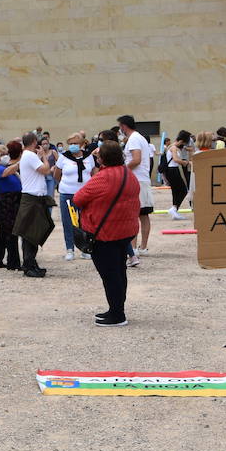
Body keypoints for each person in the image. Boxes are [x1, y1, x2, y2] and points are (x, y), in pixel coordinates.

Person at [71, 139, 141, 327]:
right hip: (126, 231)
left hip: (105, 234)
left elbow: (78, 198)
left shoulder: (103, 177)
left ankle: (118, 316)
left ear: (102, 159)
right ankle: (117, 309)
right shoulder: (128, 174)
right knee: (119, 271)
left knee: (110, 275)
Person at [13, 133, 53, 277]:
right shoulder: (29, 155)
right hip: (32, 198)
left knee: (35, 231)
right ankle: (28, 265)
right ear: (34, 142)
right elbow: (46, 170)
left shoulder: (28, 156)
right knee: (30, 233)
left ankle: (31, 262)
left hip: (35, 198)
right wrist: (44, 156)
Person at [53, 132, 95, 260]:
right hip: (67, 193)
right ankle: (69, 249)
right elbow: (56, 174)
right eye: (70, 144)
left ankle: (85, 248)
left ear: (82, 144)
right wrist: (63, 185)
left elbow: (93, 173)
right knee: (68, 221)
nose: (72, 146)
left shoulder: (89, 157)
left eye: (75, 143)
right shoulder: (64, 157)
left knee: (85, 221)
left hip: (85, 194)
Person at [118, 116, 154, 255]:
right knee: (143, 214)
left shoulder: (133, 139)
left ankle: (134, 248)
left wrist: (122, 170)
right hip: (141, 179)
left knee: (134, 214)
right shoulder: (139, 138)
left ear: (123, 126)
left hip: (136, 179)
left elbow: (136, 159)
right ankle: (142, 247)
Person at [0, 141, 23, 269]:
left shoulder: (5, 167)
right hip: (5, 203)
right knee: (11, 233)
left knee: (4, 233)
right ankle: (13, 263)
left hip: (11, 201)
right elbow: (7, 172)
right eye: (3, 154)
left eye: (6, 153)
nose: (6, 156)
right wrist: (22, 161)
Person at [161, 131, 190, 219]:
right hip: (173, 170)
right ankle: (174, 208)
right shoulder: (174, 147)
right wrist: (185, 162)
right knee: (183, 190)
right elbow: (176, 159)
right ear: (181, 141)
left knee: (176, 191)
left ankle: (175, 210)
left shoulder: (171, 146)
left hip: (171, 171)